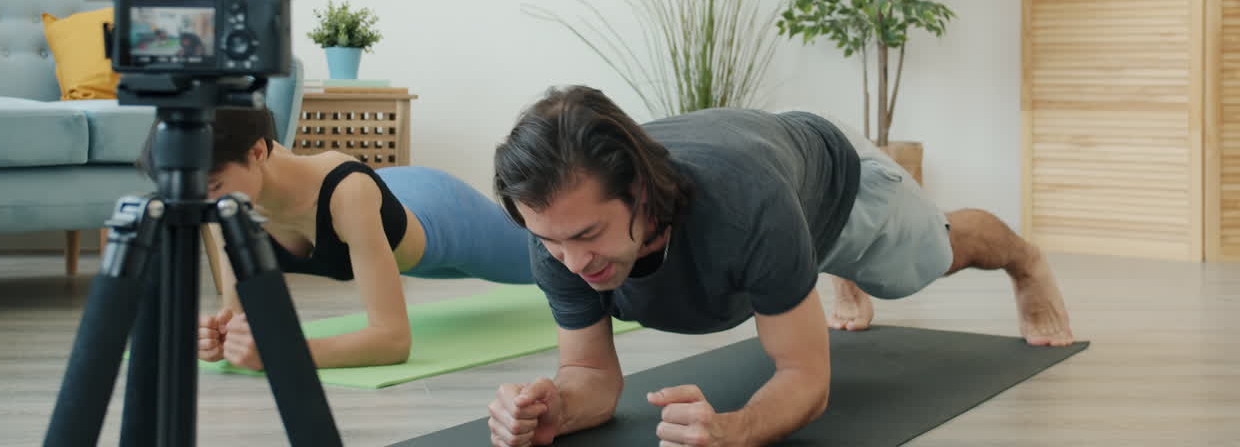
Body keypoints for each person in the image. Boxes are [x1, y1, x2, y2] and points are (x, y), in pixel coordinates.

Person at [485, 85, 1074, 447]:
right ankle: (809, 267)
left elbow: (808, 380)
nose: (570, 261)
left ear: (640, 192)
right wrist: (554, 407)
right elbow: (590, 373)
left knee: (933, 256)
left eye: (588, 235)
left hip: (837, 181)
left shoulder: (744, 208)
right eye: (552, 242)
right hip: (772, 173)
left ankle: (1025, 260)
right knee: (786, 249)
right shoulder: (556, 234)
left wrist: (734, 430)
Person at [135, 107, 534, 371]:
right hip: (385, 209)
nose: (201, 206)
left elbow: (393, 341)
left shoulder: (347, 194)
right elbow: (239, 319)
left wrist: (281, 354)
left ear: (256, 152)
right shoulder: (225, 201)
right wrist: (217, 337)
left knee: (547, 259)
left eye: (212, 185)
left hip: (443, 215)